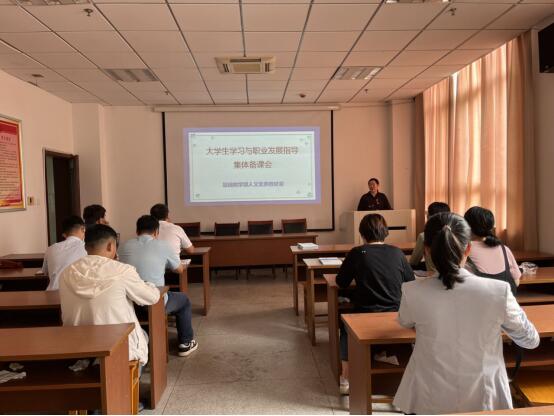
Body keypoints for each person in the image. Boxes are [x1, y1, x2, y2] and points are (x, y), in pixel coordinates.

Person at [393, 212, 539, 414]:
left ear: (426, 250)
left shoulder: (412, 291)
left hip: (429, 395)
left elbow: (405, 321)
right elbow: (530, 340)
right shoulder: (499, 291)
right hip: (485, 395)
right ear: (468, 248)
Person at [59, 224, 160, 366]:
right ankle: (132, 375)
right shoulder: (123, 271)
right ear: (110, 246)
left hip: (79, 347)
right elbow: (152, 297)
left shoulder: (67, 273)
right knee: (143, 336)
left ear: (86, 247)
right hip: (116, 347)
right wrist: (149, 284)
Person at [336, 213, 414, 395]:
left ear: (362, 233)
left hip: (364, 314)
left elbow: (341, 282)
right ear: (385, 231)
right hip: (396, 315)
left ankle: (346, 377)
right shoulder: (397, 252)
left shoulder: (357, 253)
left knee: (344, 326)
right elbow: (410, 282)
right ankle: (387, 356)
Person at [119, 215, 198, 357]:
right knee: (184, 300)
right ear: (156, 232)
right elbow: (179, 269)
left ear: (137, 231)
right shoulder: (163, 245)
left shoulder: (124, 246)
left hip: (128, 302)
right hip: (154, 301)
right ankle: (185, 342)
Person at [464, 206, 521, 292]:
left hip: (478, 298)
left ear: (466, 225)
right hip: (505, 299)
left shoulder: (464, 250)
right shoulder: (504, 249)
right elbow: (516, 282)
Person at [42, 215, 87, 291]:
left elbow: (44, 272)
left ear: (64, 234)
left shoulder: (50, 249)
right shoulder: (87, 247)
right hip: (76, 293)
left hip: (52, 293)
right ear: (83, 229)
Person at [409, 201, 450, 272]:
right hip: (454, 275)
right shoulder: (456, 234)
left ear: (430, 217)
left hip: (433, 275)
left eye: (427, 214)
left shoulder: (424, 236)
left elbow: (413, 261)